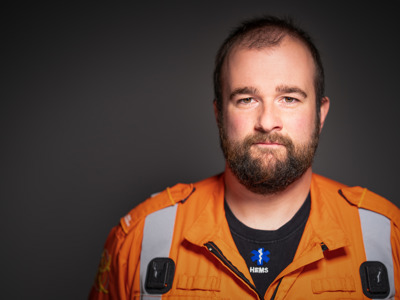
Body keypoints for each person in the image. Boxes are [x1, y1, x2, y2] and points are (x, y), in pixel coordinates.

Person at [89, 16, 400, 299]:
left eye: (289, 98)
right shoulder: (139, 238)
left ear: (320, 114)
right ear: (219, 114)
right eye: (247, 99)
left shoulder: (388, 237)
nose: (267, 121)